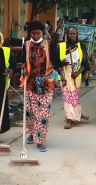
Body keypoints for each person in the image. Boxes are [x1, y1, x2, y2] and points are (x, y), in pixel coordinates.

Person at [21, 21, 59, 152]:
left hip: (46, 84)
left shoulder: (49, 45)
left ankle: (40, 141)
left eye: (38, 33)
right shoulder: (26, 45)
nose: (36, 36)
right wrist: (24, 69)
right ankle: (32, 134)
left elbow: (57, 62)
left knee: (43, 113)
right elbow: (22, 62)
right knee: (30, 112)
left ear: (42, 33)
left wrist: (62, 77)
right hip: (30, 83)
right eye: (33, 33)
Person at [54, 26, 90, 129]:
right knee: (67, 97)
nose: (72, 36)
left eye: (74, 34)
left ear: (77, 35)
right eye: (70, 34)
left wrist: (78, 73)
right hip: (64, 74)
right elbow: (56, 64)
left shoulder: (81, 46)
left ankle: (77, 113)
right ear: (66, 34)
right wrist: (61, 63)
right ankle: (69, 120)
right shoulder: (60, 46)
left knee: (74, 96)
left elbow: (85, 63)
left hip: (76, 74)